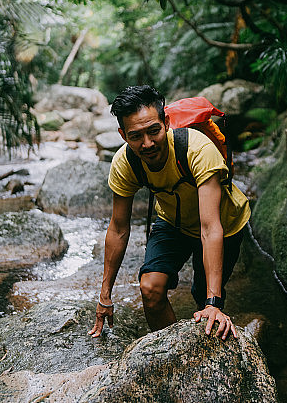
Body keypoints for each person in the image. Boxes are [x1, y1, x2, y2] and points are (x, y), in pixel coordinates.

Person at [88, 85, 251, 341]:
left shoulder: (197, 150)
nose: (147, 144)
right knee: (151, 290)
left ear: (166, 122)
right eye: (136, 136)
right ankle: (170, 352)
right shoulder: (125, 163)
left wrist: (214, 303)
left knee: (204, 299)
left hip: (223, 223)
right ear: (122, 135)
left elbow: (210, 227)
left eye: (154, 131)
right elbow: (119, 228)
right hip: (173, 221)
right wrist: (104, 294)